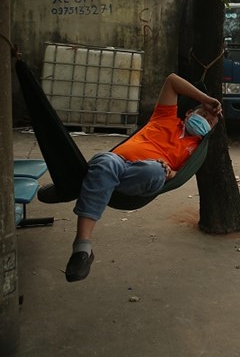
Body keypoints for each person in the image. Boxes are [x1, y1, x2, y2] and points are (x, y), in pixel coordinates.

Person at [65, 73, 222, 282]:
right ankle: (82, 248)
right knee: (107, 162)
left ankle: (82, 184)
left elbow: (178, 175)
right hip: (118, 162)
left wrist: (168, 171)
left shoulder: (195, 150)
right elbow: (172, 81)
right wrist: (206, 100)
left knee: (153, 171)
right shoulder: (165, 117)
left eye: (210, 122)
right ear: (189, 113)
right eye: (203, 114)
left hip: (145, 175)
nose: (206, 120)